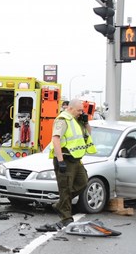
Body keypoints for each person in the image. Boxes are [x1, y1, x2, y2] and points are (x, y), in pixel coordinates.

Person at [38, 99, 97, 231]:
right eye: (79, 110)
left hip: (76, 159)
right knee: (65, 188)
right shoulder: (63, 119)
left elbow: (88, 134)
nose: (81, 112)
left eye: (82, 110)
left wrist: (86, 122)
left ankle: (60, 204)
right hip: (65, 158)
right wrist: (60, 160)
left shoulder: (76, 120)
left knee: (83, 182)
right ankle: (66, 218)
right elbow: (55, 139)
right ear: (70, 109)